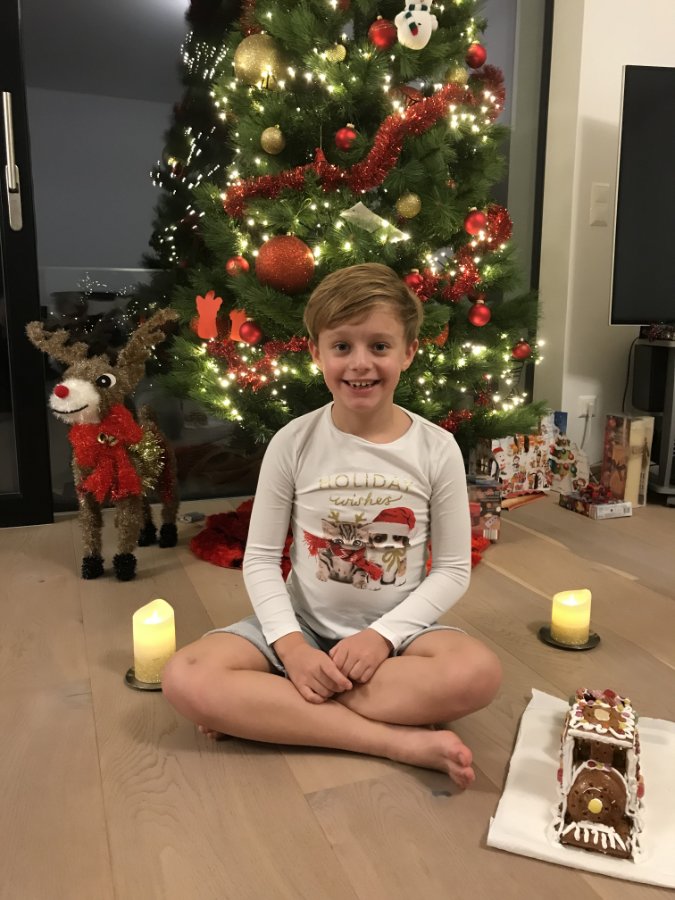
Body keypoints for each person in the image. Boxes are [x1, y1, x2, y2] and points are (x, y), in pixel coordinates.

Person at [162, 263, 502, 789]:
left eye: (379, 346)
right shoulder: (293, 442)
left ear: (409, 351)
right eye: (342, 346)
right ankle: (394, 740)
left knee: (478, 673)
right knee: (184, 677)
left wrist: (382, 638)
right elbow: (261, 559)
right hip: (300, 627)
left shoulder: (437, 449)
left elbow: (453, 568)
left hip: (399, 641)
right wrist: (293, 650)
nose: (360, 363)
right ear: (316, 352)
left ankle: (273, 710)